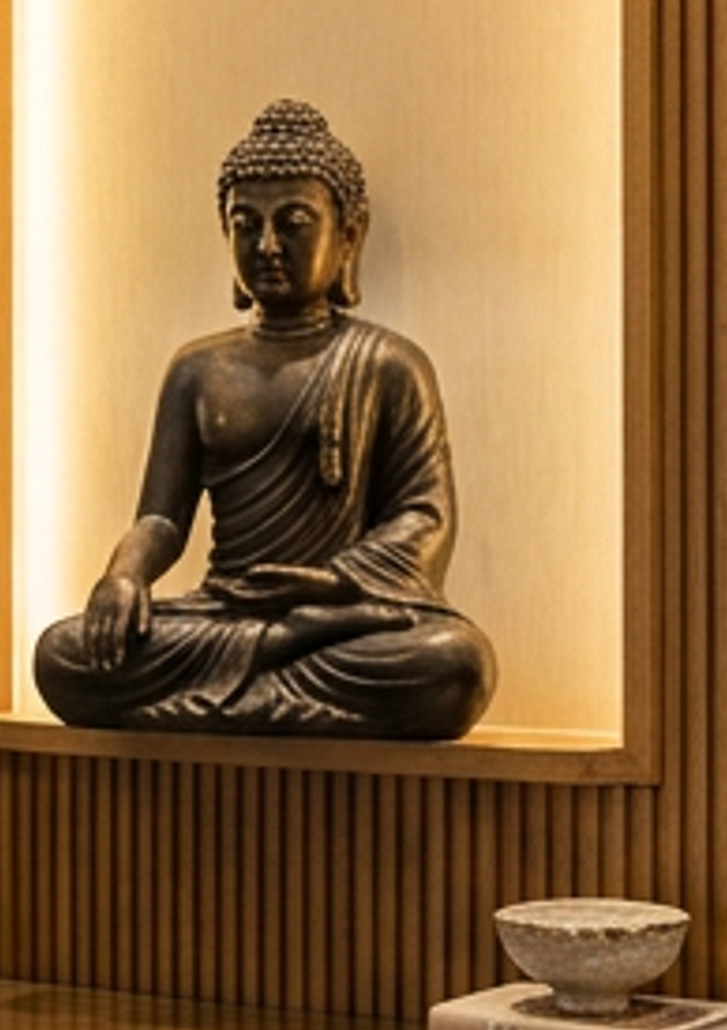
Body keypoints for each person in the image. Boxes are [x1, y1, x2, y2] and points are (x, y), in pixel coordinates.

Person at [32, 98, 496, 741]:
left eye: (294, 223)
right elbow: (162, 518)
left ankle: (258, 673)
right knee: (63, 655)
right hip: (225, 611)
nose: (268, 245)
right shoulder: (196, 368)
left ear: (348, 235)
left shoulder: (390, 364)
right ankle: (273, 669)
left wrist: (334, 583)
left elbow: (425, 515)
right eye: (245, 224)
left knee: (453, 663)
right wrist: (125, 573)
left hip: (340, 616)